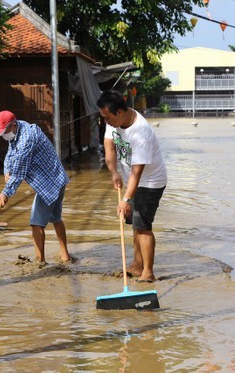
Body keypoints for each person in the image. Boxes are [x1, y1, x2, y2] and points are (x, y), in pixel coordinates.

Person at [97, 90, 167, 283]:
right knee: (135, 225)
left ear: (120, 112)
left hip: (150, 182)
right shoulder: (113, 123)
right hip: (132, 181)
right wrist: (113, 173)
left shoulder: (140, 131)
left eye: (107, 117)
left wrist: (126, 200)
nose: (105, 121)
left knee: (143, 226)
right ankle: (137, 265)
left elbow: (138, 171)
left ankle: (148, 272)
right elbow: (109, 147)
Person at [0, 110, 71, 265]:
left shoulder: (26, 140)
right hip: (58, 178)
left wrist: (6, 193)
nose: (3, 136)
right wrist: (7, 170)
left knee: (36, 223)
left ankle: (40, 263)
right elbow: (10, 153)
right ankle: (65, 256)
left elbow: (20, 172)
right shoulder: (19, 128)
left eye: (4, 132)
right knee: (56, 218)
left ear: (13, 126)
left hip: (49, 184)